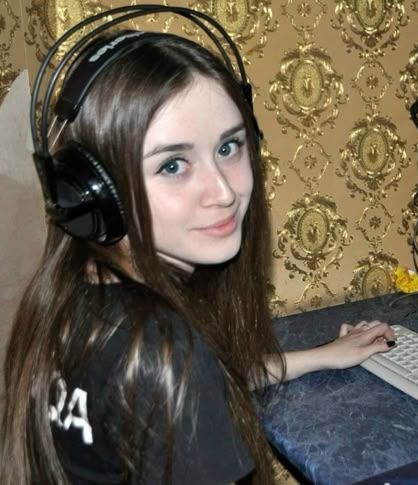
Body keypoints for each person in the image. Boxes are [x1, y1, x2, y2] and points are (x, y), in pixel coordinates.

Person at [0, 15, 395, 485]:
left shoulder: (78, 296)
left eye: (228, 148)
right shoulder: (162, 348)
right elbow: (176, 378)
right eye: (173, 165)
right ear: (94, 191)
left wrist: (323, 355)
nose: (223, 192)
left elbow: (194, 384)